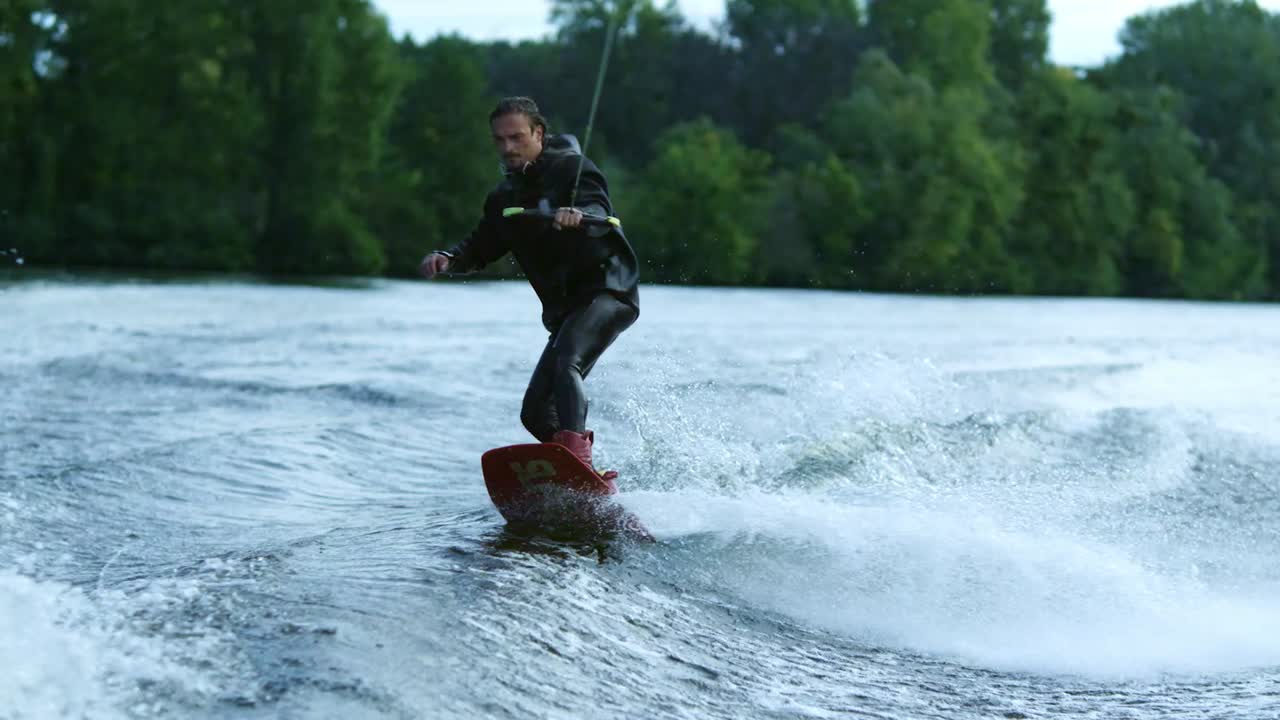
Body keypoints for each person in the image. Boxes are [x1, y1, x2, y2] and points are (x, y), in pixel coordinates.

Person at [419, 97, 640, 481]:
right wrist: (449, 258)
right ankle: (583, 473)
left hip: (609, 292)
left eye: (517, 137)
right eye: (499, 140)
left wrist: (579, 216)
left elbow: (600, 213)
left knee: (567, 361)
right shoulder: (504, 199)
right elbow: (479, 248)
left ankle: (577, 460)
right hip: (568, 309)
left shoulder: (575, 169)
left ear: (538, 133)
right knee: (535, 412)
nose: (507, 148)